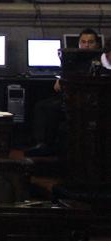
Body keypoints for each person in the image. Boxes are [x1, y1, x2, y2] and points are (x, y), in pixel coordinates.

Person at [27, 28, 100, 156]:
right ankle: (42, 143)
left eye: (90, 42)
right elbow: (61, 81)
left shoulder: (99, 60)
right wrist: (61, 78)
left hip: (88, 100)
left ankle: (46, 145)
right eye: (83, 42)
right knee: (41, 104)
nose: (86, 45)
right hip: (70, 96)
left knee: (49, 108)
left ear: (97, 44)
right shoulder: (74, 59)